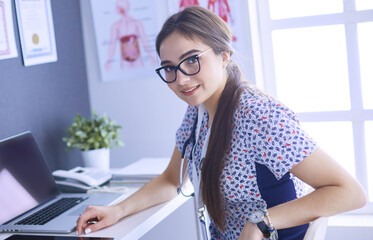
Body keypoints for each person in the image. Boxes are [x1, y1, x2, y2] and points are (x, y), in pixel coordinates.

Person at [76, 6, 367, 240]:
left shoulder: (259, 116)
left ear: (223, 54)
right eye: (169, 68)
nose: (181, 79)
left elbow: (349, 192)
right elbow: (170, 180)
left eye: (191, 60)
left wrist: (261, 224)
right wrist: (116, 210)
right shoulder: (197, 112)